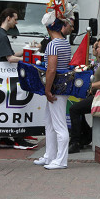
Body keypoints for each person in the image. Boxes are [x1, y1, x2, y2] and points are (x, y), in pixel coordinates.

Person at [0, 8, 38, 150]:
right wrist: (29, 60)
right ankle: (18, 139)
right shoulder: (2, 35)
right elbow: (10, 58)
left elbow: (7, 54)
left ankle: (5, 139)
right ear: (8, 18)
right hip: (4, 76)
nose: (16, 22)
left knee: (4, 106)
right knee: (13, 105)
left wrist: (26, 50)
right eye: (15, 19)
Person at [34, 12, 73, 170]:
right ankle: (50, 155)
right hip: (61, 86)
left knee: (58, 124)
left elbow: (51, 70)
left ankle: (61, 159)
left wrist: (47, 90)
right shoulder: (64, 42)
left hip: (56, 88)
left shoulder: (53, 44)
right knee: (50, 123)